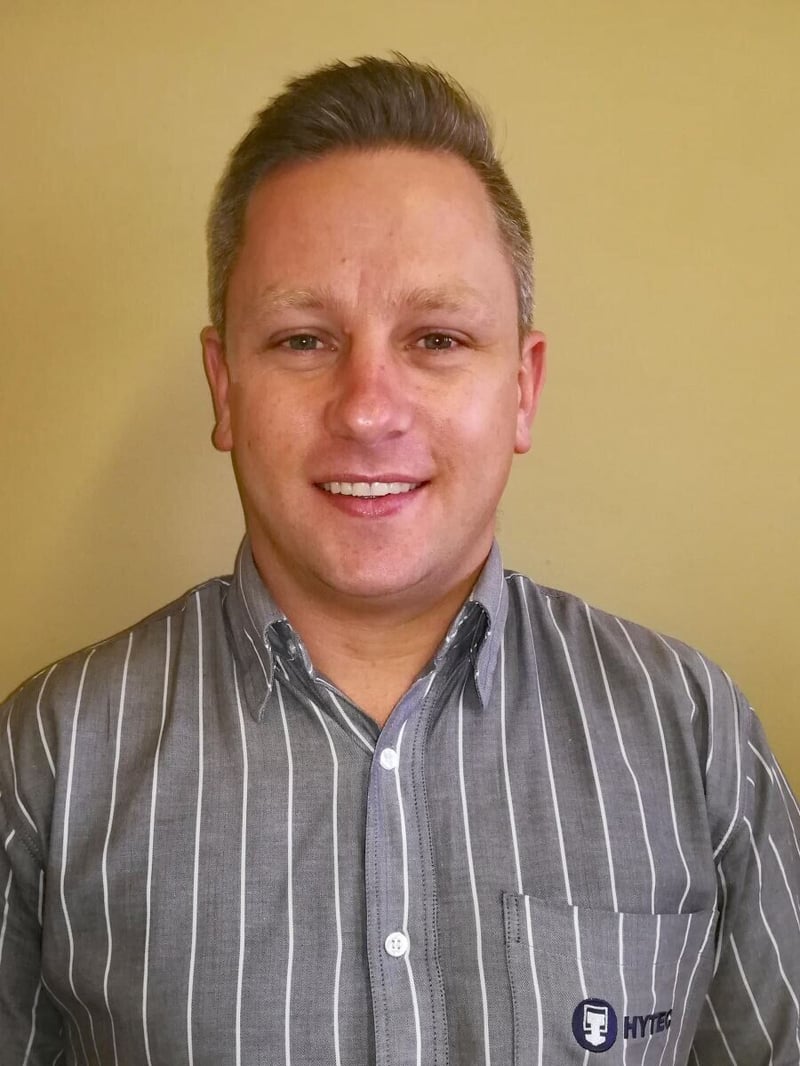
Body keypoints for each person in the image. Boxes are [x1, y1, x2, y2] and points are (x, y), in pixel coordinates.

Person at [1, 54, 798, 1066]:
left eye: (436, 339)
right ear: (224, 386)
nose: (368, 410)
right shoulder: (51, 758)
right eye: (302, 340)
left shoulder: (694, 735)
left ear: (523, 389)